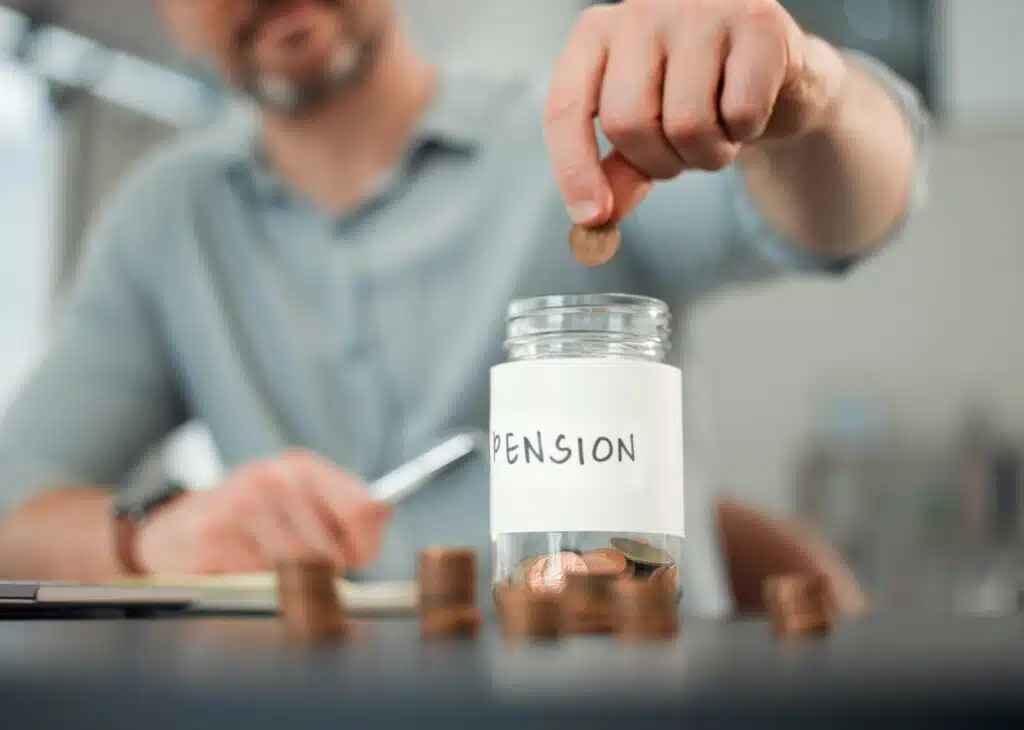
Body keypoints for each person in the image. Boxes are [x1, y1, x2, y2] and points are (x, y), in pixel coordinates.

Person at [0, 0, 927, 615]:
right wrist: (153, 536)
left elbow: (847, 220)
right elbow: (12, 518)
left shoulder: (586, 131)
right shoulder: (167, 218)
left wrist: (811, 94)